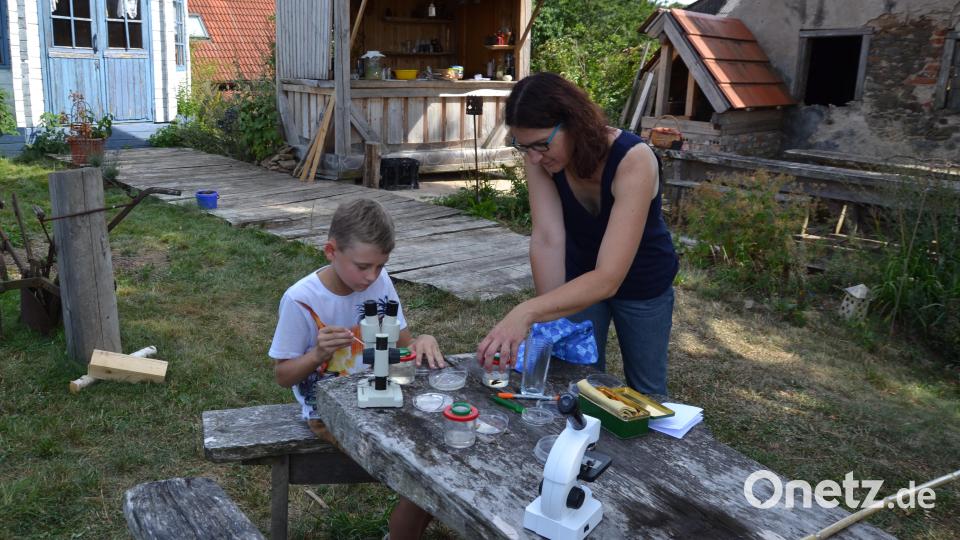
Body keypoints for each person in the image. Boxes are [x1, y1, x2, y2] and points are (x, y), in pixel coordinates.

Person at [477, 72, 678, 395]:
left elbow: (609, 277)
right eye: (523, 146)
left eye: (542, 144)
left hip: (644, 281)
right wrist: (550, 323)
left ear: (575, 124)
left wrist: (527, 311)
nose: (534, 157)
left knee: (646, 391)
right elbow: (547, 237)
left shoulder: (633, 159)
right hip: (580, 277)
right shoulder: (538, 155)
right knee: (575, 381)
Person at [269, 198, 443, 539]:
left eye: (380, 266)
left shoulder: (378, 282)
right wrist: (317, 353)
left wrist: (424, 338)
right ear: (331, 251)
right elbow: (282, 375)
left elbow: (403, 341)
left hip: (379, 389)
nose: (372, 276)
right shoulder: (301, 299)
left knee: (437, 437)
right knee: (417, 461)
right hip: (327, 408)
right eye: (363, 266)